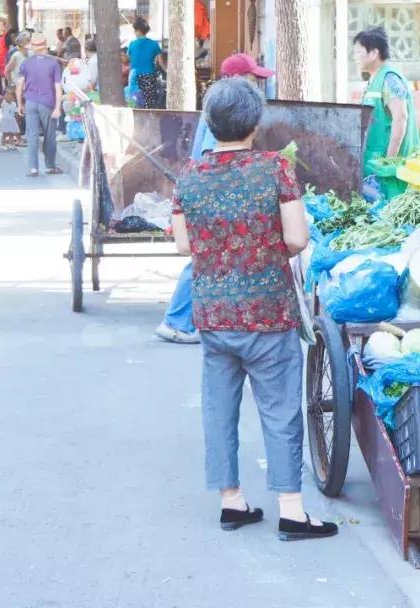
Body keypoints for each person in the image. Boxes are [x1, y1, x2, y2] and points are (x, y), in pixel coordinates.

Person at [171, 78, 335, 540]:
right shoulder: (274, 169)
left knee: (218, 407)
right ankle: (290, 510)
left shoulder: (190, 174)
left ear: (210, 122)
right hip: (268, 311)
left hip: (214, 316)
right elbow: (298, 238)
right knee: (280, 409)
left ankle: (231, 502)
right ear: (254, 122)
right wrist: (263, 251)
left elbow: (184, 243)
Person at [156, 53, 276, 345]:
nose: (257, 84)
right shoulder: (226, 112)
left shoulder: (218, 105)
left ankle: (194, 318)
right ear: (237, 79)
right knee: (201, 257)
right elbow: (216, 158)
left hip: (206, 191)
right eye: (253, 78)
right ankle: (175, 321)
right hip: (212, 194)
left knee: (206, 256)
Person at [353, 26, 418, 173]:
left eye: (358, 51)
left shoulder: (390, 79)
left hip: (390, 171)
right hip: (374, 165)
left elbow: (400, 118)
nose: (355, 57)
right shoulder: (373, 81)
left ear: (374, 53)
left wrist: (389, 161)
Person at [16, 32, 64, 177]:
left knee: (32, 135)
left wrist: (20, 104)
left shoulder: (26, 63)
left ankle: (33, 168)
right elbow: (58, 86)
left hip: (30, 102)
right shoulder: (53, 64)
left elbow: (19, 85)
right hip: (47, 103)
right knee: (49, 135)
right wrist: (57, 107)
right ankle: (49, 166)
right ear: (46, 47)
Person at [127, 18, 162, 109]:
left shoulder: (132, 44)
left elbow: (128, 59)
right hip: (149, 75)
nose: (134, 33)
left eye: (134, 30)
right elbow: (160, 61)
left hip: (134, 75)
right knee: (148, 101)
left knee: (134, 99)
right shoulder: (154, 44)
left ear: (138, 31)